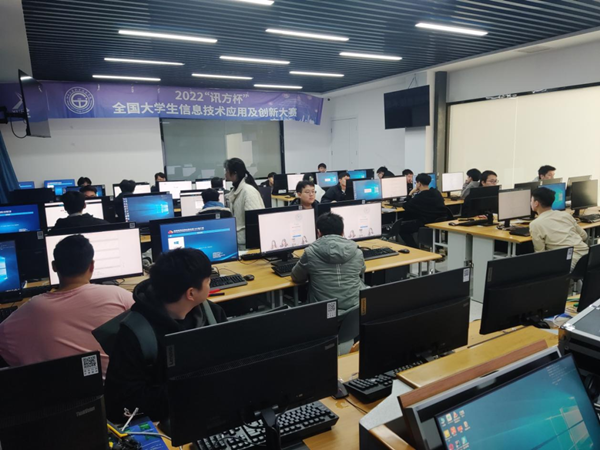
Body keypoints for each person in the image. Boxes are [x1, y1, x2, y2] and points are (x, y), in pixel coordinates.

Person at [104, 248, 227, 422]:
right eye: (208, 281)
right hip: (164, 421)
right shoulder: (135, 334)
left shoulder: (212, 313)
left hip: (209, 410)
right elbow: (121, 402)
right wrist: (192, 389)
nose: (210, 285)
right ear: (191, 293)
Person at [0, 235, 133, 378]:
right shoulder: (119, 296)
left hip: (55, 389)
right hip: (116, 388)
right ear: (92, 266)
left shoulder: (32, 308)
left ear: (54, 266)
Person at [291, 213, 366, 315]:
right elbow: (361, 270)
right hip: (355, 310)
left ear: (319, 232)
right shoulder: (357, 252)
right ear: (342, 232)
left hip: (326, 313)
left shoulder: (310, 253)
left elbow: (296, 277)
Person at [530, 187, 588, 270]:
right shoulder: (565, 215)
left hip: (569, 262)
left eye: (531, 200)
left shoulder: (536, 224)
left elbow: (540, 253)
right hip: (587, 256)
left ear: (536, 203)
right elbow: (584, 236)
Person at [224, 158, 265, 248]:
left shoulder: (248, 191)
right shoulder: (236, 190)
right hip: (239, 241)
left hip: (247, 244)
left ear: (234, 173)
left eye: (227, 170)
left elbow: (254, 223)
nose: (225, 173)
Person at [400, 173, 448, 247]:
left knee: (401, 229)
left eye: (416, 183)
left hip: (426, 222)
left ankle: (414, 248)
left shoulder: (419, 197)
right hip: (438, 221)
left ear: (419, 184)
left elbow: (406, 206)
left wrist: (410, 193)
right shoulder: (436, 192)